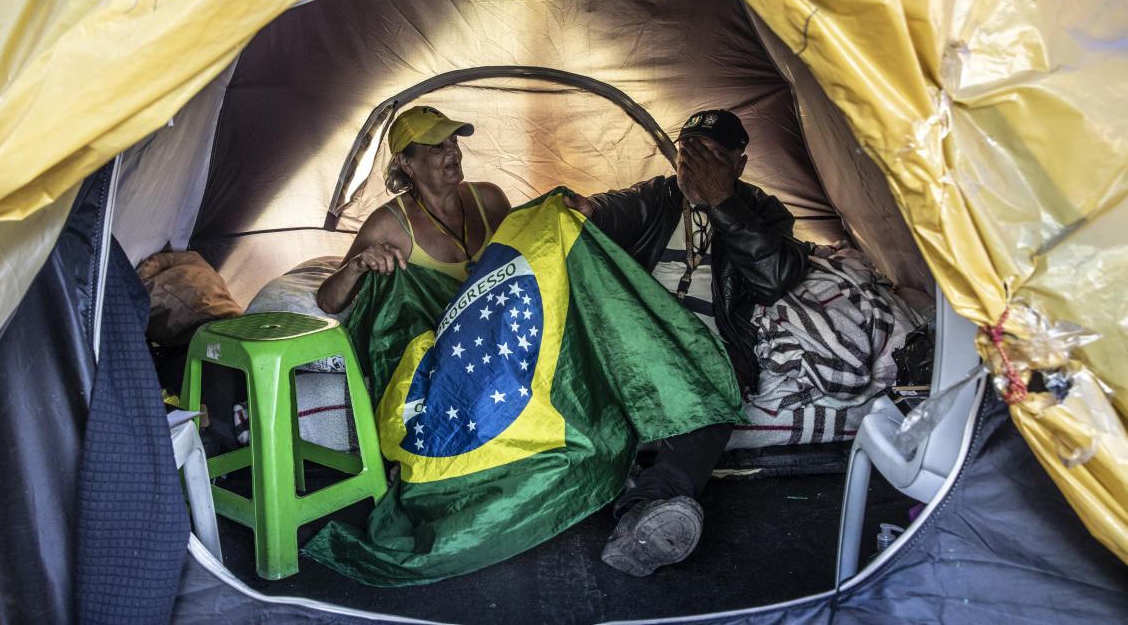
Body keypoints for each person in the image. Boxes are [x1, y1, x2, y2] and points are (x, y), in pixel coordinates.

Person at [565, 108, 809, 577]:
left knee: (715, 402)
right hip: (642, 335)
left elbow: (774, 276)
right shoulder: (658, 195)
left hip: (710, 347)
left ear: (738, 164)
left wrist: (722, 202)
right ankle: (625, 492)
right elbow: (610, 209)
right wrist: (583, 210)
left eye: (712, 155)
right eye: (687, 154)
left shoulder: (762, 209)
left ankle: (644, 512)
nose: (694, 167)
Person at [316, 106, 511, 314]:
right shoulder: (388, 225)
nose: (453, 151)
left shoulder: (490, 199)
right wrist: (359, 264)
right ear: (406, 162)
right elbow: (328, 302)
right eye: (437, 146)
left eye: (453, 141)